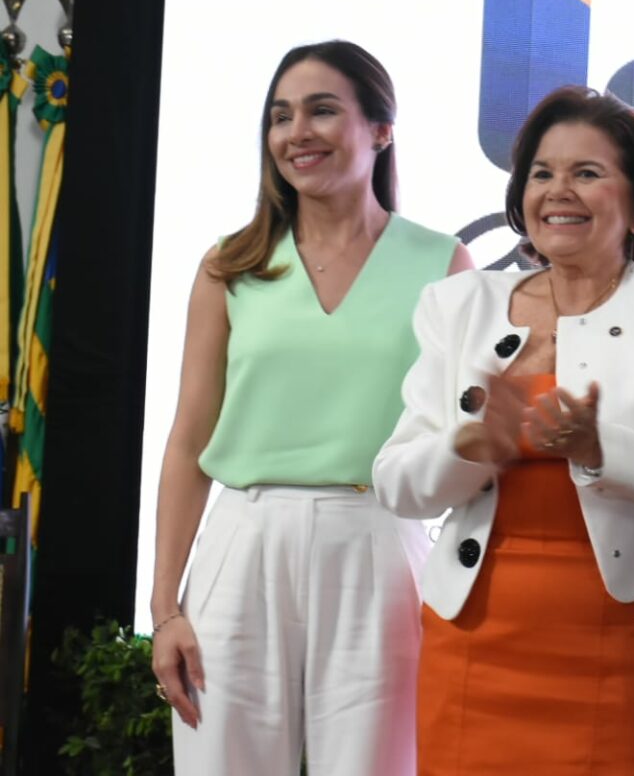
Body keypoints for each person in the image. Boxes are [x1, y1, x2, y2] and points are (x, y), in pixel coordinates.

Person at [372, 85, 634, 776]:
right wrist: (474, 446)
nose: (557, 191)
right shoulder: (459, 304)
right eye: (542, 173)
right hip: (476, 636)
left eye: (586, 173)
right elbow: (396, 482)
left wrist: (601, 447)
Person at [149, 39, 473, 774]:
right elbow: (186, 442)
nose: (297, 132)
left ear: (381, 129)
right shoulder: (230, 264)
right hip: (243, 540)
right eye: (280, 115)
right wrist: (165, 605)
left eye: (323, 110)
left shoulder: (443, 264)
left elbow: (466, 436)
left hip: (380, 541)